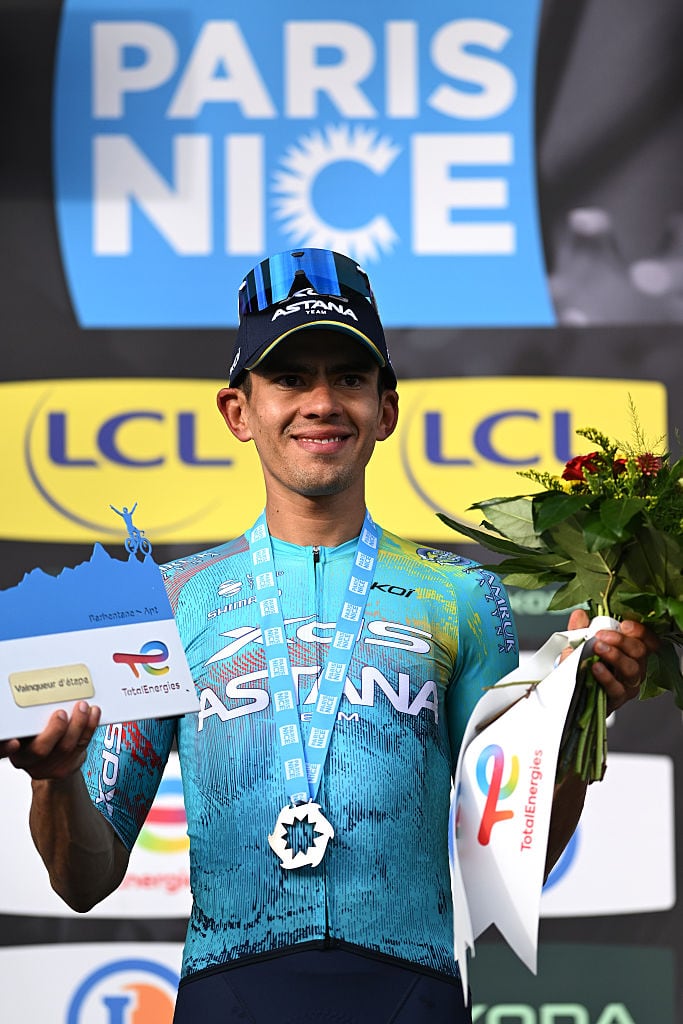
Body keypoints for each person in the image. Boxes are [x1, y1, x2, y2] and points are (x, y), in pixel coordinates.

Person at [1, 248, 656, 1023]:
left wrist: (578, 721)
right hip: (228, 991)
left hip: (410, 993)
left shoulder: (466, 598)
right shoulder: (171, 602)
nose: (320, 402)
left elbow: (511, 858)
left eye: (348, 377)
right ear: (238, 411)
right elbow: (85, 882)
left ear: (386, 410)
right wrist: (57, 778)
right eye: (289, 377)